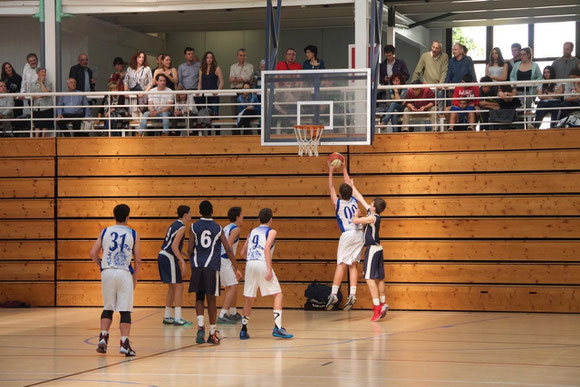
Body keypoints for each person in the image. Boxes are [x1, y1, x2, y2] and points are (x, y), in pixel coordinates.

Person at [89, 204, 141, 357]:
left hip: (107, 272)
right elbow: (138, 261)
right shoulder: (133, 233)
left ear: (114, 215)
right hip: (124, 273)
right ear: (128, 216)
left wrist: (102, 265)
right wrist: (135, 279)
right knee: (125, 309)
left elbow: (93, 252)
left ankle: (103, 337)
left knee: (108, 307)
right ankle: (124, 343)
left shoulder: (105, 231)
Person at [187, 200, 242, 345]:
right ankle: (212, 333)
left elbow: (189, 249)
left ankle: (200, 326)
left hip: (198, 265)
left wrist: (193, 260)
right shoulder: (218, 228)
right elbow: (228, 248)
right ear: (212, 211)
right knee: (211, 299)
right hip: (212, 266)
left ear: (199, 212)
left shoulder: (193, 227)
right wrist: (236, 267)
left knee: (199, 297)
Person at [239, 208, 293, 340]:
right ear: (271, 219)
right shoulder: (272, 231)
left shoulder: (252, 231)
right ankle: (278, 327)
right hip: (262, 262)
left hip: (250, 263)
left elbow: (242, 253)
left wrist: (253, 260)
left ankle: (243, 329)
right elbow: (267, 247)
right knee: (278, 294)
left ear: (259, 219)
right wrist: (269, 268)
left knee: (249, 299)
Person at [347, 179, 389, 322]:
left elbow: (356, 222)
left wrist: (356, 215)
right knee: (380, 278)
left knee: (369, 278)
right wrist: (352, 186)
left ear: (374, 207)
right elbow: (360, 198)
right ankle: (383, 303)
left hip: (372, 250)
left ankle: (377, 308)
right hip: (378, 248)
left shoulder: (372, 218)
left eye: (372, 203)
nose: (369, 204)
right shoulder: (374, 214)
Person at [325, 159, 363, 311]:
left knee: (341, 264)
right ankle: (352, 294)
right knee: (353, 265)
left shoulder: (338, 203)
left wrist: (330, 171)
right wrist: (344, 168)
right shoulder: (355, 200)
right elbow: (349, 183)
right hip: (359, 234)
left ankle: (333, 294)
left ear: (340, 194)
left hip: (347, 235)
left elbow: (331, 187)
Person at [159, 205, 191, 326]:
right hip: (168, 256)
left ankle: (167, 316)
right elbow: (173, 247)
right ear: (185, 214)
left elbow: (172, 245)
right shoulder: (182, 227)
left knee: (173, 287)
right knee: (179, 286)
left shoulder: (174, 224)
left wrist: (184, 254)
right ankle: (177, 318)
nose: (191, 215)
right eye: (190, 213)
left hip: (163, 255)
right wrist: (182, 261)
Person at [217, 206, 244, 324]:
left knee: (232, 286)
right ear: (237, 216)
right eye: (242, 214)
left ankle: (233, 313)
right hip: (225, 258)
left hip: (222, 258)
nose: (243, 216)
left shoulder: (226, 227)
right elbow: (228, 246)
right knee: (233, 286)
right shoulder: (236, 229)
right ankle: (222, 315)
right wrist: (235, 265)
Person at [124, 51, 153, 117]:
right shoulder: (129, 68)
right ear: (136, 58)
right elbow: (126, 81)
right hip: (131, 94)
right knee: (132, 114)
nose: (141, 59)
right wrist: (125, 92)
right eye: (139, 57)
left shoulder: (147, 69)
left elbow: (150, 83)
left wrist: (144, 92)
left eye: (143, 57)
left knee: (141, 114)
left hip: (142, 94)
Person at [198, 51, 224, 119]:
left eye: (211, 58)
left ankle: (217, 130)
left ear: (213, 59)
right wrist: (198, 91)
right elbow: (200, 82)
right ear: (205, 59)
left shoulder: (217, 68)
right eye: (207, 58)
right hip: (204, 95)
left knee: (215, 114)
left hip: (213, 95)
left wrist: (217, 91)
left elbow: (222, 82)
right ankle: (208, 130)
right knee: (205, 115)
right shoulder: (201, 69)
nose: (209, 59)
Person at [29, 67, 53, 138]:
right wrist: (41, 95)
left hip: (46, 106)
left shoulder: (48, 83)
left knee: (45, 124)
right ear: (38, 73)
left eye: (44, 72)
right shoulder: (33, 84)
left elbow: (46, 93)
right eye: (42, 72)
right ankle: (36, 139)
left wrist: (41, 83)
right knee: (37, 124)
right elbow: (32, 96)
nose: (44, 74)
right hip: (36, 106)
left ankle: (43, 138)